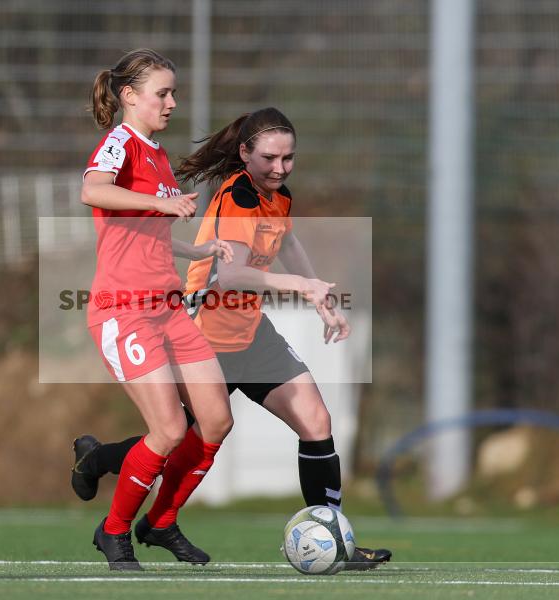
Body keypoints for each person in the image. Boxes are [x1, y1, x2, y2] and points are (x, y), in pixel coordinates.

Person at [72, 107, 392, 570]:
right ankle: (101, 463)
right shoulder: (238, 196)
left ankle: (333, 537)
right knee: (174, 437)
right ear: (245, 153)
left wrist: (320, 296)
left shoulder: (277, 196)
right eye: (269, 158)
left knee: (316, 421)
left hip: (252, 333)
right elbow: (231, 276)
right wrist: (301, 286)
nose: (280, 168)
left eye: (288, 158)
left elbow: (287, 242)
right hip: (206, 331)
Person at [81, 48, 233, 570]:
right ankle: (113, 531)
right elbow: (92, 190)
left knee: (215, 422)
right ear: (129, 95)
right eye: (162, 93)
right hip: (123, 310)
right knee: (168, 431)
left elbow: (149, 235)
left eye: (173, 93)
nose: (172, 102)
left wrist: (198, 250)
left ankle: (161, 521)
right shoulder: (120, 142)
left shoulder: (159, 154)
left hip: (168, 309)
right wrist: (161, 203)